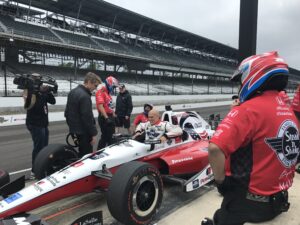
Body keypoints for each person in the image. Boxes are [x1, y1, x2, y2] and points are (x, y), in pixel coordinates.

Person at [202, 51, 300, 225]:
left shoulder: (248, 110)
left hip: (248, 204)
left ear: (253, 75)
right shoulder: (288, 112)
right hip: (279, 201)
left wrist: (220, 182)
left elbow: (214, 148)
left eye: (241, 80)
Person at [23, 73, 56, 179]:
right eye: (36, 78)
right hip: (35, 124)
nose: (38, 80)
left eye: (39, 78)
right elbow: (29, 106)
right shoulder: (30, 91)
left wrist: (49, 91)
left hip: (43, 124)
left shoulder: (43, 92)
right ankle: (34, 171)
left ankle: (43, 167)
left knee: (44, 148)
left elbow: (53, 101)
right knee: (38, 148)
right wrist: (37, 92)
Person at [65, 72, 101, 157]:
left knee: (81, 153)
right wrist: (93, 133)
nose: (95, 89)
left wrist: (72, 129)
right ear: (89, 82)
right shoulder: (85, 96)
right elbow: (87, 118)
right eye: (95, 86)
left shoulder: (72, 92)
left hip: (75, 130)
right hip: (84, 132)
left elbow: (67, 113)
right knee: (86, 156)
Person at [96, 75, 119, 149]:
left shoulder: (108, 93)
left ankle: (109, 151)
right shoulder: (101, 91)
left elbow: (110, 106)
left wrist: (114, 116)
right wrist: (106, 118)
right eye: (114, 86)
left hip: (109, 116)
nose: (114, 88)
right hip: (104, 117)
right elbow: (100, 106)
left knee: (110, 137)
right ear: (110, 84)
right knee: (105, 137)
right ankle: (98, 152)